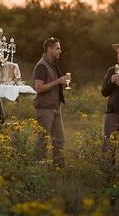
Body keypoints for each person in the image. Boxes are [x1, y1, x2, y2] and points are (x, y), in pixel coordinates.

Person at [33, 37, 69, 166]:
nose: (60, 50)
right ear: (49, 49)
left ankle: (59, 167)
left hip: (55, 107)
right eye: (57, 48)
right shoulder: (42, 66)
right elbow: (39, 87)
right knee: (42, 139)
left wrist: (60, 84)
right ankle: (38, 166)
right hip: (44, 108)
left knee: (59, 139)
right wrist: (58, 81)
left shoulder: (52, 65)